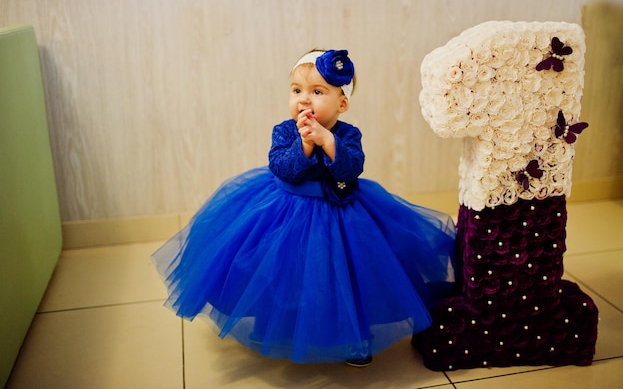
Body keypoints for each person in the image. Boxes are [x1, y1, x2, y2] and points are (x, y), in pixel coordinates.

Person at [152, 49, 457, 367]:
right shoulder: (284, 131)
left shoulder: (348, 135)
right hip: (285, 212)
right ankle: (272, 326)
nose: (304, 100)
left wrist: (328, 141)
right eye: (297, 90)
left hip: (341, 216)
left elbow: (352, 168)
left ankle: (351, 336)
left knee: (345, 275)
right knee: (279, 272)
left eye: (317, 92)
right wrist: (306, 145)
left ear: (342, 103)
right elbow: (282, 167)